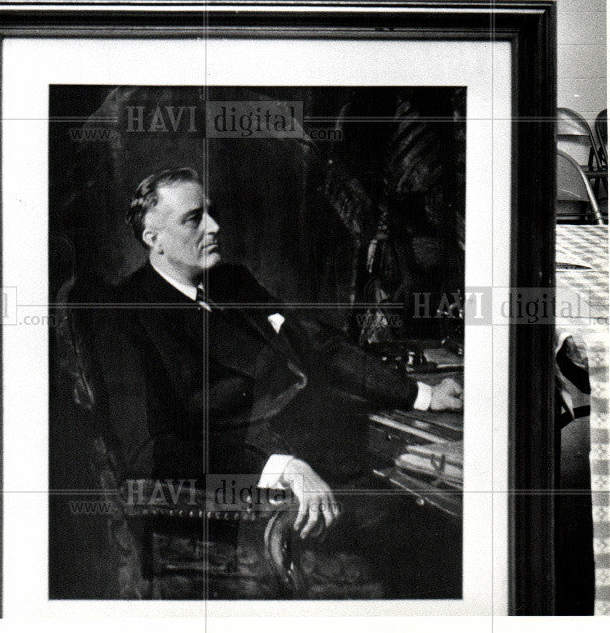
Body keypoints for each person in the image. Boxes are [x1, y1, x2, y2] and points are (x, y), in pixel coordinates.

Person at [93, 167, 462, 543]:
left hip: (330, 447)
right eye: (193, 219)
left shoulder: (232, 281)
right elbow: (147, 449)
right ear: (153, 239)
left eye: (211, 212)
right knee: (424, 536)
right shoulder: (125, 315)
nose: (214, 227)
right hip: (259, 494)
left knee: (441, 508)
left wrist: (422, 394)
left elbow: (316, 342)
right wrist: (278, 468)